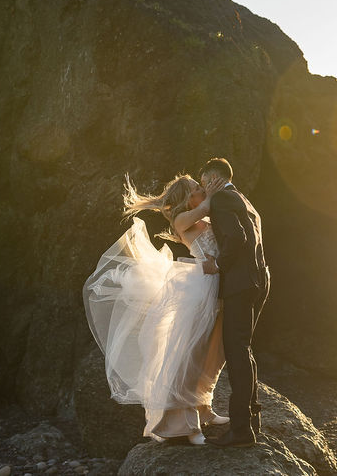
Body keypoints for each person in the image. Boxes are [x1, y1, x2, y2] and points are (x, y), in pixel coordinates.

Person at [83, 173, 229, 445]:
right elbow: (207, 206)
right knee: (187, 355)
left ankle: (203, 408)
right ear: (188, 199)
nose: (202, 191)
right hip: (199, 290)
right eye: (197, 188)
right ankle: (185, 426)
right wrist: (215, 190)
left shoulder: (203, 217)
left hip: (218, 289)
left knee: (213, 352)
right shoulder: (182, 220)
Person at [199, 158, 269, 448]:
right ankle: (252, 423)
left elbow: (237, 238)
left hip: (240, 283)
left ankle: (240, 431)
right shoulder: (243, 199)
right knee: (245, 350)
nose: (204, 192)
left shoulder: (222, 199)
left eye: (204, 184)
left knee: (237, 352)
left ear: (214, 179)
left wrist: (217, 264)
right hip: (259, 279)